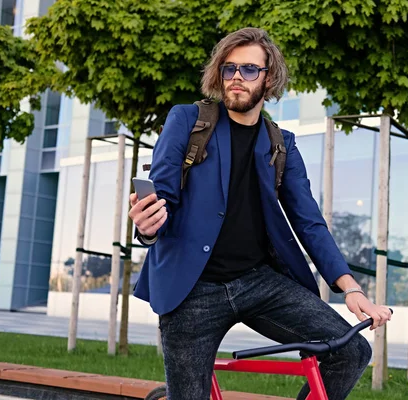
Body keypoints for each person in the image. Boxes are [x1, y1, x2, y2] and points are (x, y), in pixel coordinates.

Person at [128, 27, 392, 400]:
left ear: (269, 80)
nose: (237, 77)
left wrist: (350, 287)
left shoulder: (281, 144)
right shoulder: (187, 120)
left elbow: (309, 221)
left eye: (249, 69)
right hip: (192, 290)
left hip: (260, 283)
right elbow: (162, 199)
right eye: (229, 68)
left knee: (351, 351)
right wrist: (150, 225)